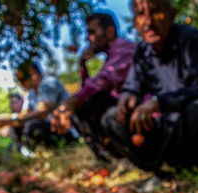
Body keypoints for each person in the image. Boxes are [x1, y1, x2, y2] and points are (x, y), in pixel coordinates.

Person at [102, 0, 198, 174]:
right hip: (169, 134)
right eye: (141, 14)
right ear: (135, 22)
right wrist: (127, 99)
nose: (148, 22)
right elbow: (132, 86)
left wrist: (159, 103)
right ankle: (161, 171)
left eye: (156, 12)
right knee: (111, 118)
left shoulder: (192, 40)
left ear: (171, 14)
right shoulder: (143, 52)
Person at [51, 13, 136, 160]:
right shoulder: (111, 56)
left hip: (136, 109)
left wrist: (70, 103)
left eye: (92, 32)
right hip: (124, 110)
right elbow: (90, 90)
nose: (88, 38)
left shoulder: (124, 49)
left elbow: (99, 84)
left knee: (93, 102)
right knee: (87, 104)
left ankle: (124, 156)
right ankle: (110, 157)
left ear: (109, 32)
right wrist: (83, 67)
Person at [0, 60, 75, 150]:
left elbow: (42, 113)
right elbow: (24, 115)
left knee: (31, 126)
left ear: (34, 75)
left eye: (22, 79)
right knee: (14, 129)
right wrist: (8, 123)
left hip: (64, 130)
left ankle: (51, 150)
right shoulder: (31, 93)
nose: (21, 83)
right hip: (48, 129)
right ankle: (25, 152)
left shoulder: (48, 83)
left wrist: (11, 118)